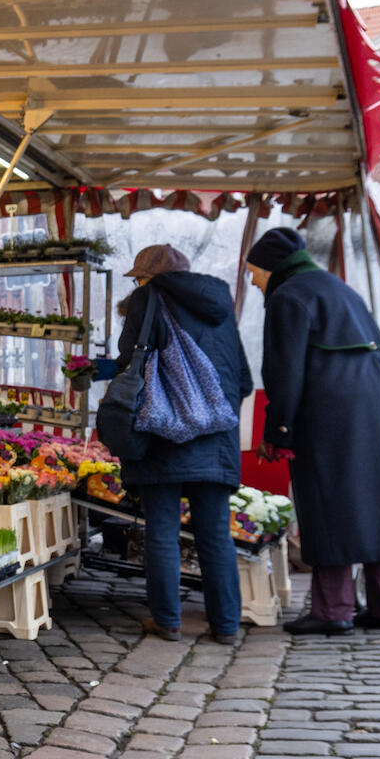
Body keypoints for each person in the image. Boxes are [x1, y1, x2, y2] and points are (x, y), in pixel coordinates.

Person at [248, 226, 380, 635]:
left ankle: (332, 610)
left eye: (254, 271)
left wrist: (277, 431)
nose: (252, 280)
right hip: (377, 403)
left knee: (330, 501)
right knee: (377, 501)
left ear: (271, 266)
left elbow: (284, 370)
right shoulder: (338, 288)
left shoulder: (288, 296)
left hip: (332, 409)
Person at [112, 243, 252, 645]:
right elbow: (241, 377)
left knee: (161, 531)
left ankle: (168, 621)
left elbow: (129, 359)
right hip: (216, 435)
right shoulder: (220, 304)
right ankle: (225, 626)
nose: (137, 284)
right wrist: (207, 411)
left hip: (162, 433)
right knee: (215, 535)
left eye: (139, 277)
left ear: (151, 278)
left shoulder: (147, 299)